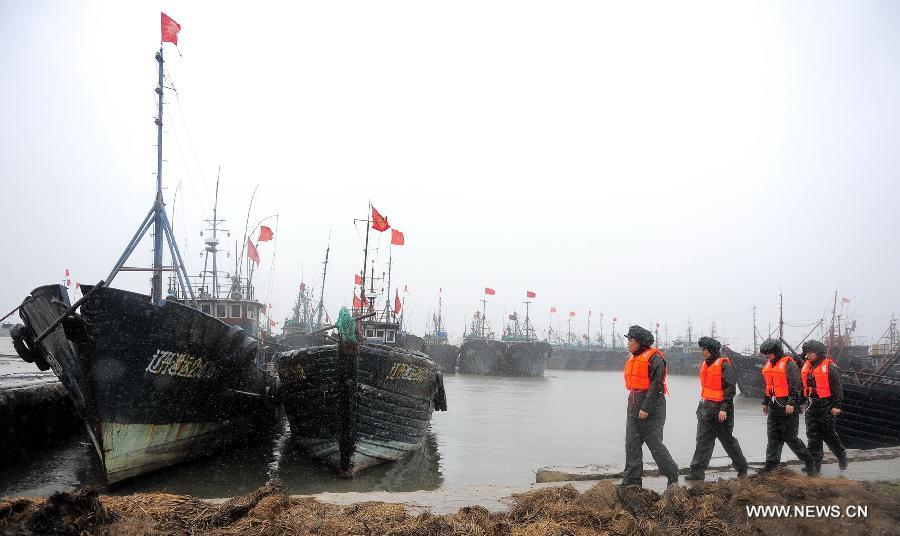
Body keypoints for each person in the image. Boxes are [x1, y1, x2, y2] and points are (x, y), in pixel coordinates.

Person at [622, 325, 679, 486]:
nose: (628, 344)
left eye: (631, 340)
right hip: (633, 403)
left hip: (653, 407)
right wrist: (636, 407)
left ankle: (672, 474)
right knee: (631, 443)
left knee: (655, 444)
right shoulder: (632, 358)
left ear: (640, 342)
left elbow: (656, 386)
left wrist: (646, 408)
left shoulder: (655, 359)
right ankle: (631, 480)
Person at [685, 337, 748, 481]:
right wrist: (701, 407)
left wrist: (724, 408)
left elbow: (730, 388)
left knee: (727, 441)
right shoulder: (705, 365)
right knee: (703, 441)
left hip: (721, 410)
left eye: (704, 350)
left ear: (712, 350)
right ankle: (697, 473)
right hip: (706, 408)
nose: (702, 352)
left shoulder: (724, 364)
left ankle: (742, 468)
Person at [759, 339, 815, 474]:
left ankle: (809, 461)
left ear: (777, 352)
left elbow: (796, 386)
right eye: (766, 354)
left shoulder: (789, 365)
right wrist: (765, 402)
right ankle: (771, 465)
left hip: (788, 407)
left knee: (790, 438)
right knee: (773, 437)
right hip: (774, 406)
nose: (767, 356)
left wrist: (791, 402)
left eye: (769, 353)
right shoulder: (769, 365)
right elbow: (769, 387)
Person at [800, 339, 848, 474]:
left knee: (828, 434)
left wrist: (837, 405)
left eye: (811, 353)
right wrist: (801, 402)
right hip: (812, 404)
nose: (808, 355)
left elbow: (838, 388)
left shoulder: (831, 367)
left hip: (827, 404)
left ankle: (841, 455)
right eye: (807, 353)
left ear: (818, 353)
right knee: (813, 435)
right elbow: (804, 388)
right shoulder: (807, 367)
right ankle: (815, 464)